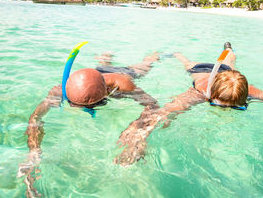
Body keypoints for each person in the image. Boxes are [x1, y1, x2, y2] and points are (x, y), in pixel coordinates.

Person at [114, 43, 263, 167]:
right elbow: (158, 114)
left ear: (245, 98)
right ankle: (176, 52)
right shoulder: (199, 92)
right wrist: (137, 140)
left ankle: (228, 49)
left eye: (236, 107)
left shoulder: (249, 90)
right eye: (219, 105)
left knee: (231, 59)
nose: (226, 111)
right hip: (200, 71)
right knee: (187, 63)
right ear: (211, 96)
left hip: (226, 70)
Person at [17, 52, 160, 197]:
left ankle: (152, 56)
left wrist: (138, 131)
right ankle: (105, 59)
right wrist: (34, 150)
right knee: (103, 66)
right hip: (94, 77)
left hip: (120, 75)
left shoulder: (123, 85)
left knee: (144, 67)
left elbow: (153, 106)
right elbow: (35, 118)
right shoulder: (61, 90)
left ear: (107, 92)